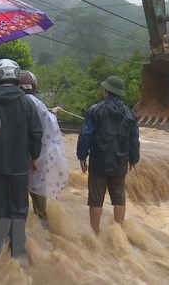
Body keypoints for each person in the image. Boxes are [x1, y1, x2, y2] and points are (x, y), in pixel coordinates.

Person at [0, 59, 43, 260]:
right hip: (19, 164)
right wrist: (34, 156)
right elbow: (36, 132)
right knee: (19, 207)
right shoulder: (26, 101)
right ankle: (17, 253)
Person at [77, 75, 140, 234]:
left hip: (99, 162)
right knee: (119, 198)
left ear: (106, 91)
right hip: (120, 163)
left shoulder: (95, 110)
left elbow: (86, 135)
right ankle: (118, 233)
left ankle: (95, 235)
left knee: (96, 200)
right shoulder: (130, 114)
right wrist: (133, 159)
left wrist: (82, 156)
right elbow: (134, 139)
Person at [18, 71, 68, 229]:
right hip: (37, 156)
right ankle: (44, 233)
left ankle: (21, 232)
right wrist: (54, 112)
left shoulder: (14, 101)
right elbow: (48, 124)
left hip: (15, 156)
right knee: (38, 194)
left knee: (18, 199)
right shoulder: (35, 102)